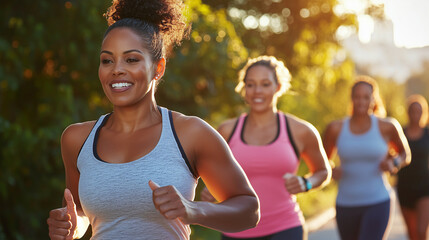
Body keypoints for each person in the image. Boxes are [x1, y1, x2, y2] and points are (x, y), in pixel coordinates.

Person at [46, 0, 260, 239]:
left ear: (158, 68)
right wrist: (72, 227)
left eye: (131, 59)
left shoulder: (190, 134)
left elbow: (250, 210)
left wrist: (195, 210)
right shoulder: (76, 139)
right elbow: (82, 212)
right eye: (107, 60)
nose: (116, 70)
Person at [200, 55, 332, 240]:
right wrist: (212, 190)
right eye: (251, 84)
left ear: (278, 87)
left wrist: (306, 183)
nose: (257, 91)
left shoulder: (300, 131)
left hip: (285, 227)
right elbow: (211, 172)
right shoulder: (227, 131)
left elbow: (323, 171)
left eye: (265, 84)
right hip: (236, 230)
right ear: (244, 89)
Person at [323, 75, 411, 240]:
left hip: (378, 201)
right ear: (351, 99)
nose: (361, 101)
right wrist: (331, 171)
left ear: (373, 99)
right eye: (357, 97)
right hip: (345, 204)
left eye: (366, 97)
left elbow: (406, 154)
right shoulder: (336, 128)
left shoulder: (387, 126)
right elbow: (322, 163)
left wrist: (394, 162)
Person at [397, 94, 429, 240]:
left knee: (422, 230)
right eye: (413, 111)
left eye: (419, 111)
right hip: (405, 187)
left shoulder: (427, 134)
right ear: (408, 112)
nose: (416, 114)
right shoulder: (400, 133)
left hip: (424, 187)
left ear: (424, 113)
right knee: (412, 233)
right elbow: (390, 154)